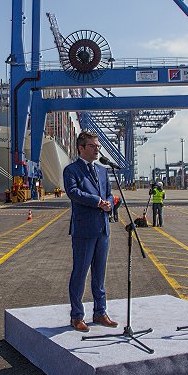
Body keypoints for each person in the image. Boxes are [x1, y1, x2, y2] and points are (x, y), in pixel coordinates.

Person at [62, 130, 117, 333]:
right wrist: (97, 202)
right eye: (93, 146)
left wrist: (109, 203)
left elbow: (109, 194)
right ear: (81, 148)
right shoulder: (71, 170)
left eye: (98, 146)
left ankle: (100, 312)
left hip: (103, 228)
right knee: (80, 273)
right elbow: (73, 192)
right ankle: (77, 316)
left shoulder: (103, 170)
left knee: (99, 274)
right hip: (84, 230)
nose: (97, 150)